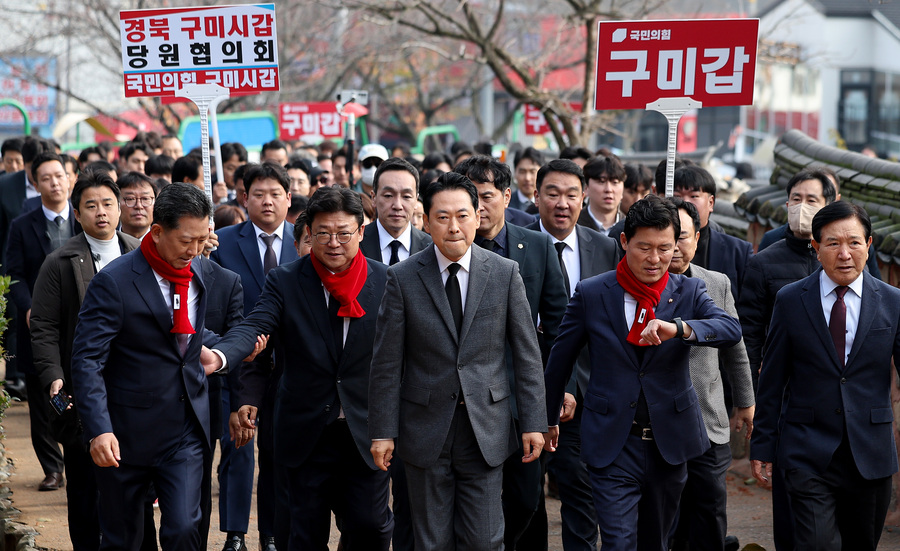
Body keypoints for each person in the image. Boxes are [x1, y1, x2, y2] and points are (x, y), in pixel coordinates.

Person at [543, 195, 742, 551]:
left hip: (670, 439)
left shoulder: (690, 290)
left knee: (656, 542)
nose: (655, 259)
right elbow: (561, 357)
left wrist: (680, 328)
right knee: (619, 543)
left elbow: (729, 329)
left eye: (665, 248)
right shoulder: (592, 293)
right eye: (644, 248)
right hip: (612, 441)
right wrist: (546, 415)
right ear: (624, 242)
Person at [208, 186, 394, 550]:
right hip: (305, 431)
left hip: (364, 430)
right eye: (323, 233)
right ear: (308, 233)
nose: (333, 242)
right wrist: (222, 355)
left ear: (361, 232)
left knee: (370, 528)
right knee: (303, 535)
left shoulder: (386, 280)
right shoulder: (286, 280)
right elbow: (254, 325)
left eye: (343, 233)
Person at [369, 171, 547, 550]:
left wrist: (534, 422)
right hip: (424, 427)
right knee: (431, 541)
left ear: (477, 215)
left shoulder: (503, 273)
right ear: (426, 219)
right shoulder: (402, 278)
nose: (454, 227)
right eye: (443, 217)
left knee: (484, 540)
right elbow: (386, 363)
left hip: (486, 427)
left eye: (463, 216)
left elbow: (527, 353)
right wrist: (383, 430)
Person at [70, 183, 220, 551]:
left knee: (185, 528)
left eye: (203, 239)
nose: (196, 250)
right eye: (187, 240)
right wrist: (99, 429)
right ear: (157, 231)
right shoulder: (114, 282)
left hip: (185, 430)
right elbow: (87, 359)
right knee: (124, 539)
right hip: (126, 435)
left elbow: (189, 341)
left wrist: (226, 352)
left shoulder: (200, 271)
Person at [751, 201, 900, 551]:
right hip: (806, 448)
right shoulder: (791, 300)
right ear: (816, 249)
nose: (844, 253)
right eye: (833, 243)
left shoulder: (892, 302)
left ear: (869, 244)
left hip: (870, 450)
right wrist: (763, 445)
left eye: (853, 242)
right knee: (817, 543)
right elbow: (772, 379)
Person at [455, 154, 567, 549]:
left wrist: (555, 392)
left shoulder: (536, 246)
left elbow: (557, 328)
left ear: (507, 196)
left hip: (521, 396)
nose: (479, 207)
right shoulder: (449, 249)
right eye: (471, 197)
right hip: (465, 398)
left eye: (486, 196)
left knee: (525, 497)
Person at [30, 171, 140, 551]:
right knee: (84, 482)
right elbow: (43, 326)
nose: (102, 212)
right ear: (77, 214)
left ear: (120, 207)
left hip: (131, 387)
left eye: (108, 203)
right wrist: (53, 376)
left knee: (132, 481)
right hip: (80, 388)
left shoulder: (138, 253)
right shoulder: (60, 261)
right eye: (91, 205)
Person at [525, 158, 619, 550]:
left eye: (570, 195)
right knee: (527, 498)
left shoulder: (607, 247)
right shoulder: (517, 244)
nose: (561, 203)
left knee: (582, 494)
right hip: (528, 393)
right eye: (552, 193)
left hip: (587, 394)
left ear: (584, 198)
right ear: (536, 196)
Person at [210, 161, 299, 551]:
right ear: (244, 198)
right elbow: (213, 304)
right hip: (237, 362)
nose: (266, 201)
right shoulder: (223, 242)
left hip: (289, 367)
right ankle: (235, 533)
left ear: (288, 198)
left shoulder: (306, 240)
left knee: (278, 457)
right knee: (238, 448)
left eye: (275, 194)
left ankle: (272, 533)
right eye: (258, 194)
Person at [667, 198, 756, 551]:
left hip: (707, 416)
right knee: (667, 511)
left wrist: (745, 402)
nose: (674, 247)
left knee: (710, 506)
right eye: (665, 237)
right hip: (656, 422)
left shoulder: (715, 283)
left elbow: (735, 347)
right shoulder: (636, 284)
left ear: (698, 237)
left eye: (683, 237)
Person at [6, 152, 80, 492]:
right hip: (39, 325)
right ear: (35, 184)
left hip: (81, 324)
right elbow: (15, 275)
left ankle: (80, 455)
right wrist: (29, 307)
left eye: (60, 175)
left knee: (77, 391)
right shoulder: (23, 225)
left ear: (71, 179)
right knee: (42, 397)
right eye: (46, 177)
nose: (55, 182)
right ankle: (52, 466)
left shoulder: (85, 220)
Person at [359, 157, 432, 265]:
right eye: (388, 195)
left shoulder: (431, 248)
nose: (397, 205)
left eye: (406, 196)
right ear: (374, 198)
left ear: (416, 201)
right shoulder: (356, 243)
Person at [577, 154, 625, 235]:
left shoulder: (631, 227)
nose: (609, 189)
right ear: (586, 187)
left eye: (615, 182)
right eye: (601, 181)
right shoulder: (574, 225)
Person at [118, 173, 158, 240]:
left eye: (145, 198)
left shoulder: (165, 244)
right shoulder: (106, 242)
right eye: (130, 199)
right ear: (117, 204)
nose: (139, 206)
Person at [508, 147, 543, 213]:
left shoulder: (547, 205)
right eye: (522, 172)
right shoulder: (506, 205)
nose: (527, 178)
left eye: (532, 172)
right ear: (515, 173)